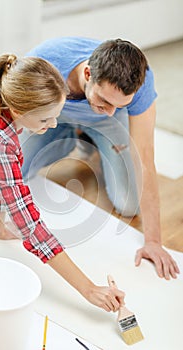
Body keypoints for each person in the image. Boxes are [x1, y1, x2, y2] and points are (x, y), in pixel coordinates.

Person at [0, 53, 125, 313]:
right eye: (45, 119)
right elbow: (30, 224)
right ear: (19, 110)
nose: (53, 125)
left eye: (55, 116)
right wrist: (89, 289)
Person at [17, 36, 179, 280]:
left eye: (120, 104)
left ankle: (93, 142)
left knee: (127, 204)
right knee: (14, 172)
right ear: (88, 73)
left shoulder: (139, 86)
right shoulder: (45, 63)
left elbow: (145, 157)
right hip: (52, 117)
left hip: (106, 125)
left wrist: (154, 241)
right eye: (104, 99)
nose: (112, 108)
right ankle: (74, 138)